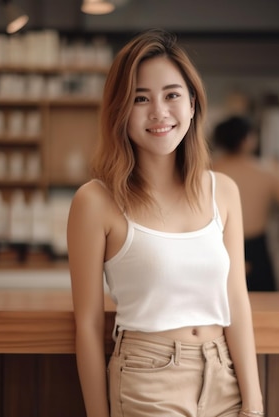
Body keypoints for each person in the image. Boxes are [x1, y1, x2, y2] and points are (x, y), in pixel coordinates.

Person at [67, 29, 265, 417]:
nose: (159, 112)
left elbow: (237, 304)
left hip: (224, 376)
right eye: (141, 98)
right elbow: (88, 327)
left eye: (172, 95)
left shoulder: (222, 191)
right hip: (147, 380)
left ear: (192, 104)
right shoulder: (95, 201)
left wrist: (254, 403)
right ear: (120, 111)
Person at [212, 115, 279, 291]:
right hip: (256, 250)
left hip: (216, 247)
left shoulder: (207, 171)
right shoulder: (265, 173)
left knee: (219, 310)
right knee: (265, 311)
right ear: (248, 139)